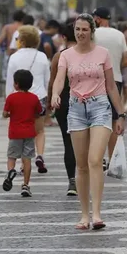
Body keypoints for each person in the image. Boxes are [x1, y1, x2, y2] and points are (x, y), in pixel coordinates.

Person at [51, 14, 125, 230]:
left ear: (92, 31)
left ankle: (97, 213)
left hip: (100, 107)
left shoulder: (103, 54)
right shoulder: (66, 55)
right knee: (81, 165)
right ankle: (84, 214)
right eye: (77, 29)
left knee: (95, 160)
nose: (81, 33)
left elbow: (112, 86)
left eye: (85, 29)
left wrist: (120, 114)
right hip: (75, 109)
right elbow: (58, 79)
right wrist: (56, 94)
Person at [6, 25, 51, 174]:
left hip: (18, 100)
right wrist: (49, 99)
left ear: (22, 40)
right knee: (39, 131)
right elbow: (47, 80)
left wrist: (8, 101)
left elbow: (9, 82)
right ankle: (40, 155)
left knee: (22, 131)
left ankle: (23, 163)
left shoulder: (14, 57)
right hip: (39, 97)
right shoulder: (42, 56)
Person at [91, 7, 127, 168]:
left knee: (96, 120)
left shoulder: (93, 34)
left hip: (94, 81)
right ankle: (112, 158)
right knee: (114, 122)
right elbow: (126, 61)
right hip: (115, 80)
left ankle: (98, 158)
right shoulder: (119, 35)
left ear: (98, 19)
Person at [2, 69, 43, 197]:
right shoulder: (34, 98)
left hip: (14, 133)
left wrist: (9, 114)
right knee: (27, 159)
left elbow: (5, 114)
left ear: (16, 84)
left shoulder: (11, 98)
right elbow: (38, 112)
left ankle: (11, 171)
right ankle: (25, 185)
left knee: (12, 156)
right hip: (29, 133)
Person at [49, 24, 78, 196]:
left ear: (64, 38)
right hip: (84, 101)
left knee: (68, 142)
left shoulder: (58, 56)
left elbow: (53, 81)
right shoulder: (88, 54)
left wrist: (48, 104)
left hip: (63, 101)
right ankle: (85, 176)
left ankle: (72, 181)